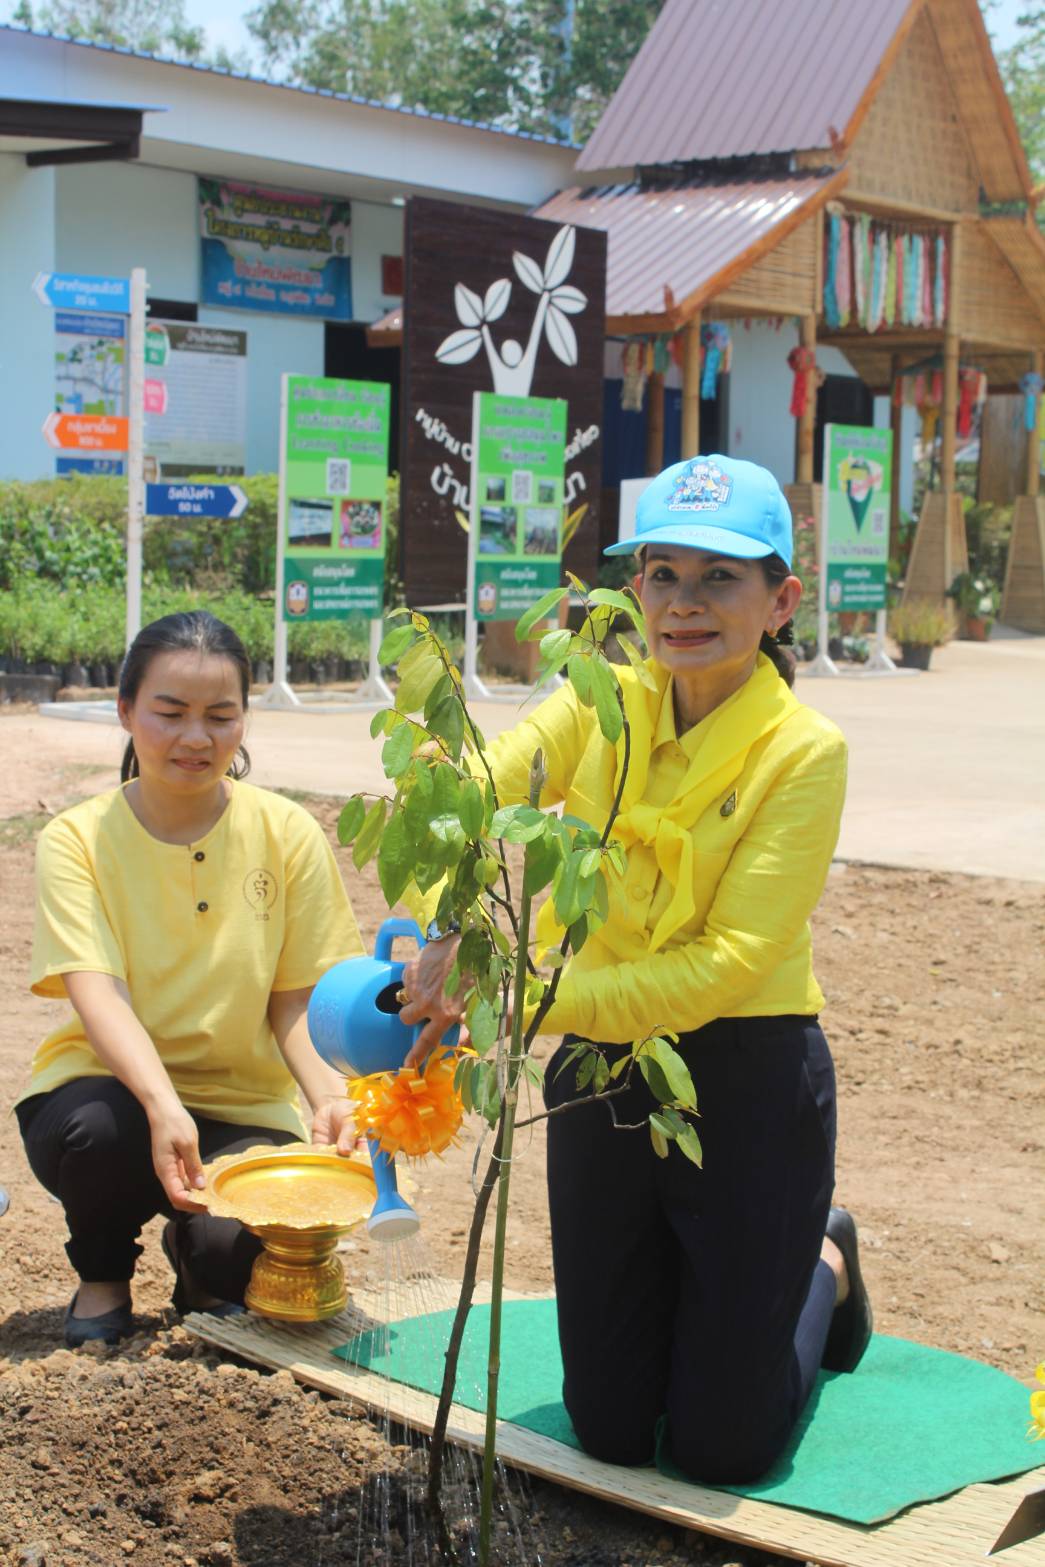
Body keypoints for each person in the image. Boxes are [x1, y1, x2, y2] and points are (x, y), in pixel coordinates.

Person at [399, 454, 873, 1484]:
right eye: (662, 574)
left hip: (746, 1072)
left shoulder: (804, 749)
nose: (684, 604)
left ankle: (824, 1265)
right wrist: (448, 921)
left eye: (720, 578)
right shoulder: (594, 700)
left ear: (780, 600)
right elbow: (482, 791)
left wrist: (525, 999)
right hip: (599, 1069)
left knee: (721, 1447)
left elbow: (726, 965)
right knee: (609, 1423)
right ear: (630, 591)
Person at [15, 611, 364, 1348]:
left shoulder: (287, 831)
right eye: (169, 713)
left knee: (235, 1258)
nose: (195, 738)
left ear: (245, 719)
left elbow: (293, 999)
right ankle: (103, 1273)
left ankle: (197, 1258)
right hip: (111, 1090)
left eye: (220, 716)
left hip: (244, 1105)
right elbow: (96, 990)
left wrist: (330, 1095)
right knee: (101, 1136)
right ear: (125, 710)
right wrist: (162, 1104)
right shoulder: (76, 838)